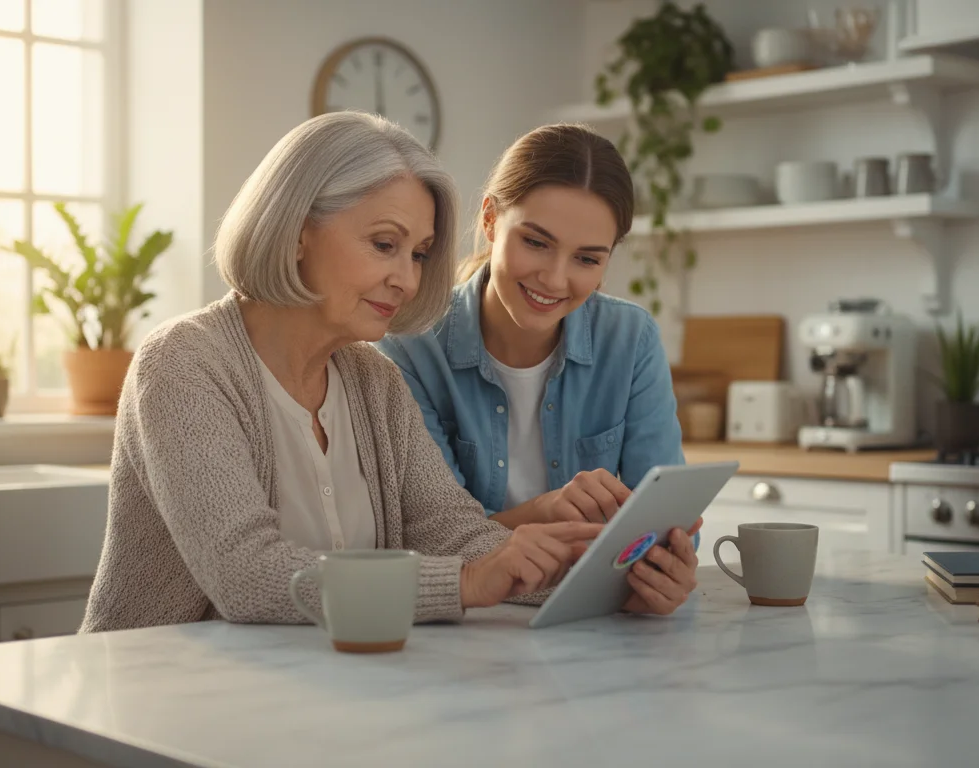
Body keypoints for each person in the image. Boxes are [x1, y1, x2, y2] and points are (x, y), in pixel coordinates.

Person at [80, 112, 616, 633]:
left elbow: (453, 535)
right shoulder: (183, 364)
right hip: (159, 695)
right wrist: (468, 581)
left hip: (313, 695)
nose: (406, 279)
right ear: (296, 232)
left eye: (420, 254)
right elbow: (245, 575)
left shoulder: (373, 382)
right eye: (385, 245)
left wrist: (604, 576)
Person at [375, 124, 698, 614]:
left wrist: (667, 571)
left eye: (587, 258)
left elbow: (665, 517)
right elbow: (430, 535)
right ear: (490, 219)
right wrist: (543, 514)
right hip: (464, 624)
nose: (554, 278)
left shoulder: (631, 340)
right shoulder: (412, 347)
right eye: (536, 242)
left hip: (597, 626)